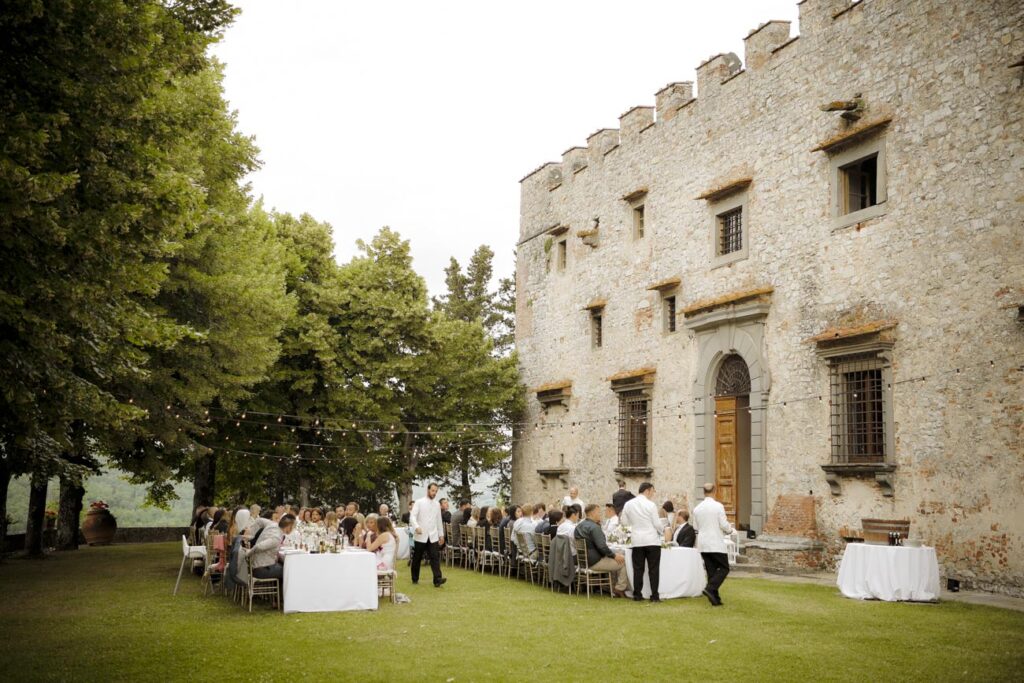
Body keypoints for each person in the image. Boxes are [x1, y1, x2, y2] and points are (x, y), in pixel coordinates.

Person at [620, 482, 666, 602]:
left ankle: (637, 594)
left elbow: (624, 522)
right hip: (651, 539)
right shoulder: (650, 505)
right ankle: (654, 595)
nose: (653, 494)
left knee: (638, 569)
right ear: (647, 490)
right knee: (654, 569)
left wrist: (634, 525)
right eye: (653, 491)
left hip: (637, 540)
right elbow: (656, 524)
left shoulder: (628, 504)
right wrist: (663, 531)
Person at [692, 483, 735, 606]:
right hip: (715, 541)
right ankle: (710, 588)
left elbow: (695, 526)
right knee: (724, 568)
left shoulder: (697, 508)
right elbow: (723, 524)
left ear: (703, 492)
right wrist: (730, 530)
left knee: (711, 570)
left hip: (703, 543)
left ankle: (715, 599)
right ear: (714, 491)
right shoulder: (718, 506)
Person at [575, 504, 630, 597]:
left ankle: (611, 586)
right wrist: (614, 556)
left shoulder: (579, 526)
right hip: (595, 562)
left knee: (616, 558)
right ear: (592, 513)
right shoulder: (594, 527)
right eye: (598, 512)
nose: (600, 514)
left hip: (583, 561)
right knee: (624, 561)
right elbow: (602, 547)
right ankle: (619, 588)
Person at [409, 482, 446, 587]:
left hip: (433, 535)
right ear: (428, 490)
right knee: (417, 558)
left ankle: (437, 579)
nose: (434, 493)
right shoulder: (419, 502)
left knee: (435, 557)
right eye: (433, 490)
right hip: (421, 535)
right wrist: (416, 527)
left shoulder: (437, 504)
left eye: (436, 491)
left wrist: (441, 535)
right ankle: (415, 578)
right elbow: (412, 517)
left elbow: (439, 520)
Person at [243, 513, 293, 582]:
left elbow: (259, 520)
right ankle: (282, 592)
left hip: (259, 565)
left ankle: (278, 591)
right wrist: (248, 553)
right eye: (293, 527)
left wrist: (251, 534)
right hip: (260, 569)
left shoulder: (273, 524)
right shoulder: (276, 537)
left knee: (285, 567)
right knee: (289, 571)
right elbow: (259, 547)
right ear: (289, 526)